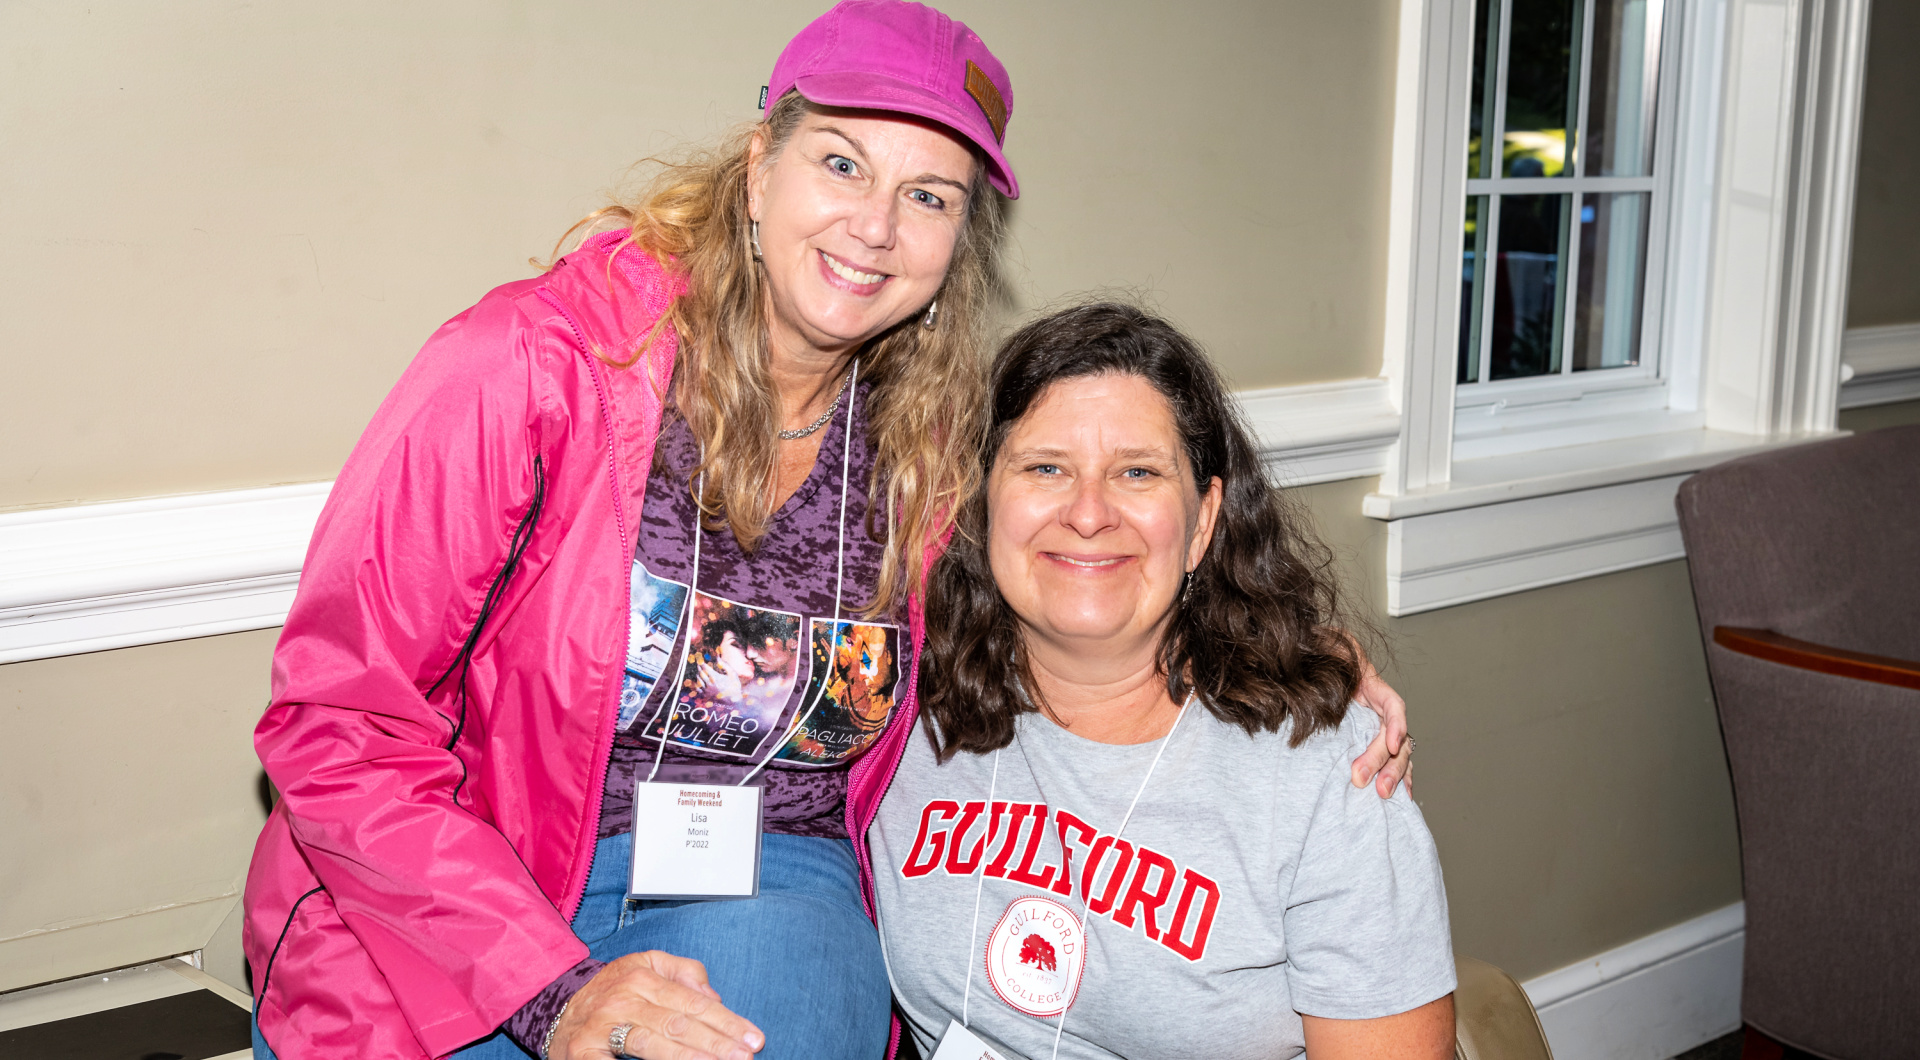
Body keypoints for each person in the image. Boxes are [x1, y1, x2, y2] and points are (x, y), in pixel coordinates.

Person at [242, 5, 1414, 1060]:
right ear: (760, 168)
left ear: (962, 240)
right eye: (842, 163)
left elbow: (1090, 545)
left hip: (766, 881)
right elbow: (338, 716)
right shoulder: (534, 369)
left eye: (929, 196)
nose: (875, 226)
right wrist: (551, 996)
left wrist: (1289, 654)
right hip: (475, 876)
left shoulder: (933, 443)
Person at [869, 303, 1456, 1060]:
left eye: (1137, 472)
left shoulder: (1323, 767)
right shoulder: (894, 702)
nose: (1088, 513)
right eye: (1045, 467)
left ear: (1205, 522)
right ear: (982, 500)